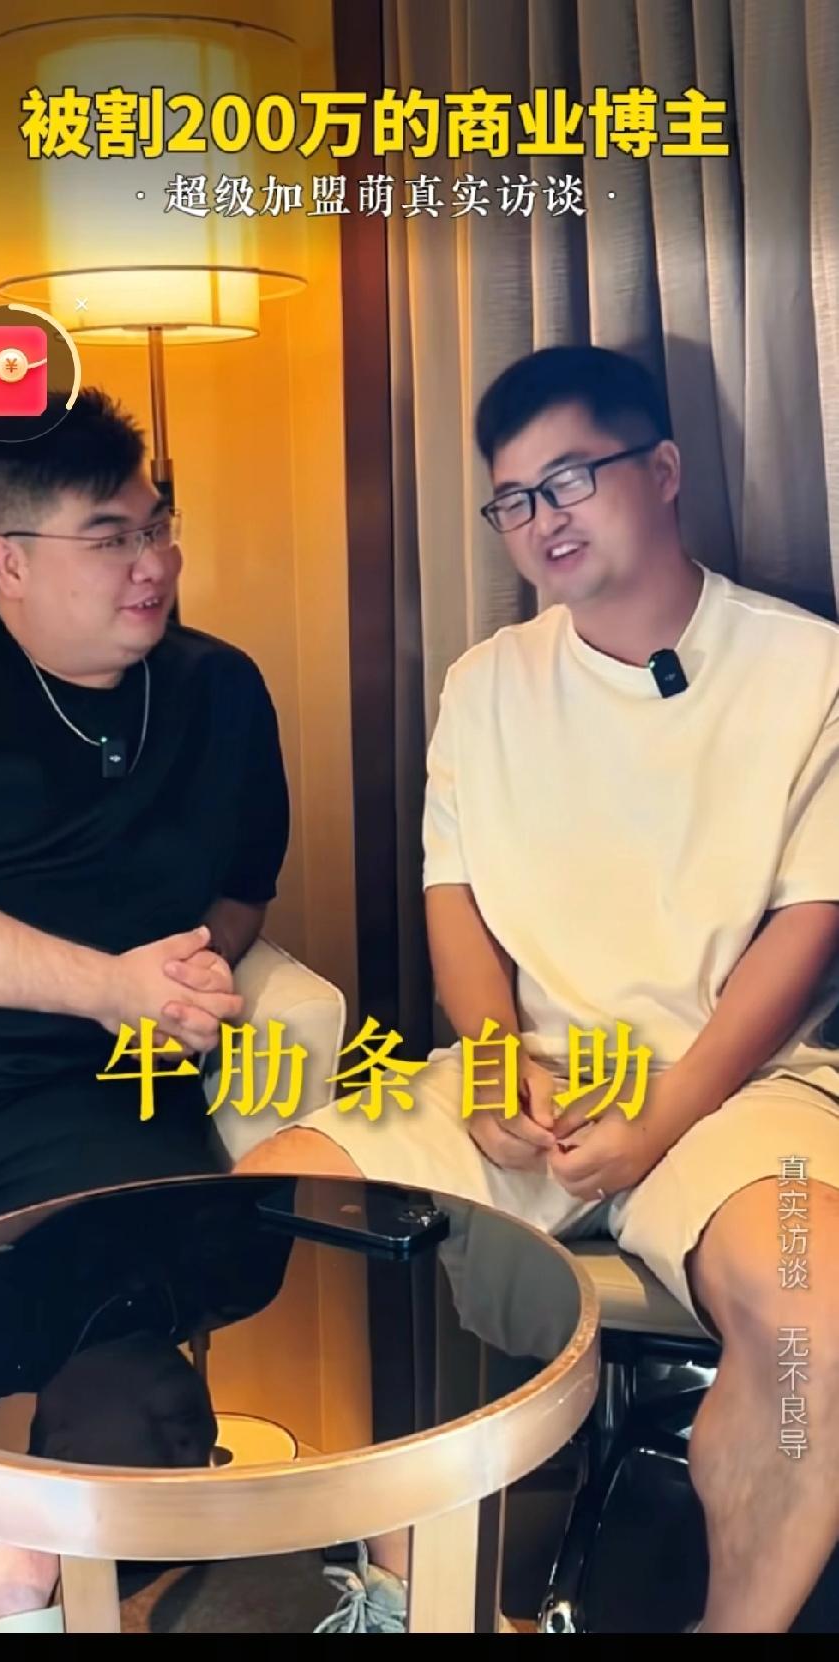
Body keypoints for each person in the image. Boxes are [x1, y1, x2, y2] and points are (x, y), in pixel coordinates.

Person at [239, 346, 839, 1634]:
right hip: (529, 1076)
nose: (538, 519)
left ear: (661, 471)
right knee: (269, 1199)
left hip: (737, 1091)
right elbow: (453, 902)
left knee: (813, 1330)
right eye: (510, 499)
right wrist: (490, 1058)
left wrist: (661, 1117)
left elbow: (806, 924)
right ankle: (409, 1589)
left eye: (567, 479)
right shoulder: (484, 682)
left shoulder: (804, 671)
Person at [0, 388, 289, 1629]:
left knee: (143, 1310)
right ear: (9, 560)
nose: (154, 562)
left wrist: (192, 973)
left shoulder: (218, 690)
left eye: (156, 526)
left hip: (83, 1096)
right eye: (111, 537)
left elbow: (242, 888)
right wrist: (112, 985)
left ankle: (10, 1567)